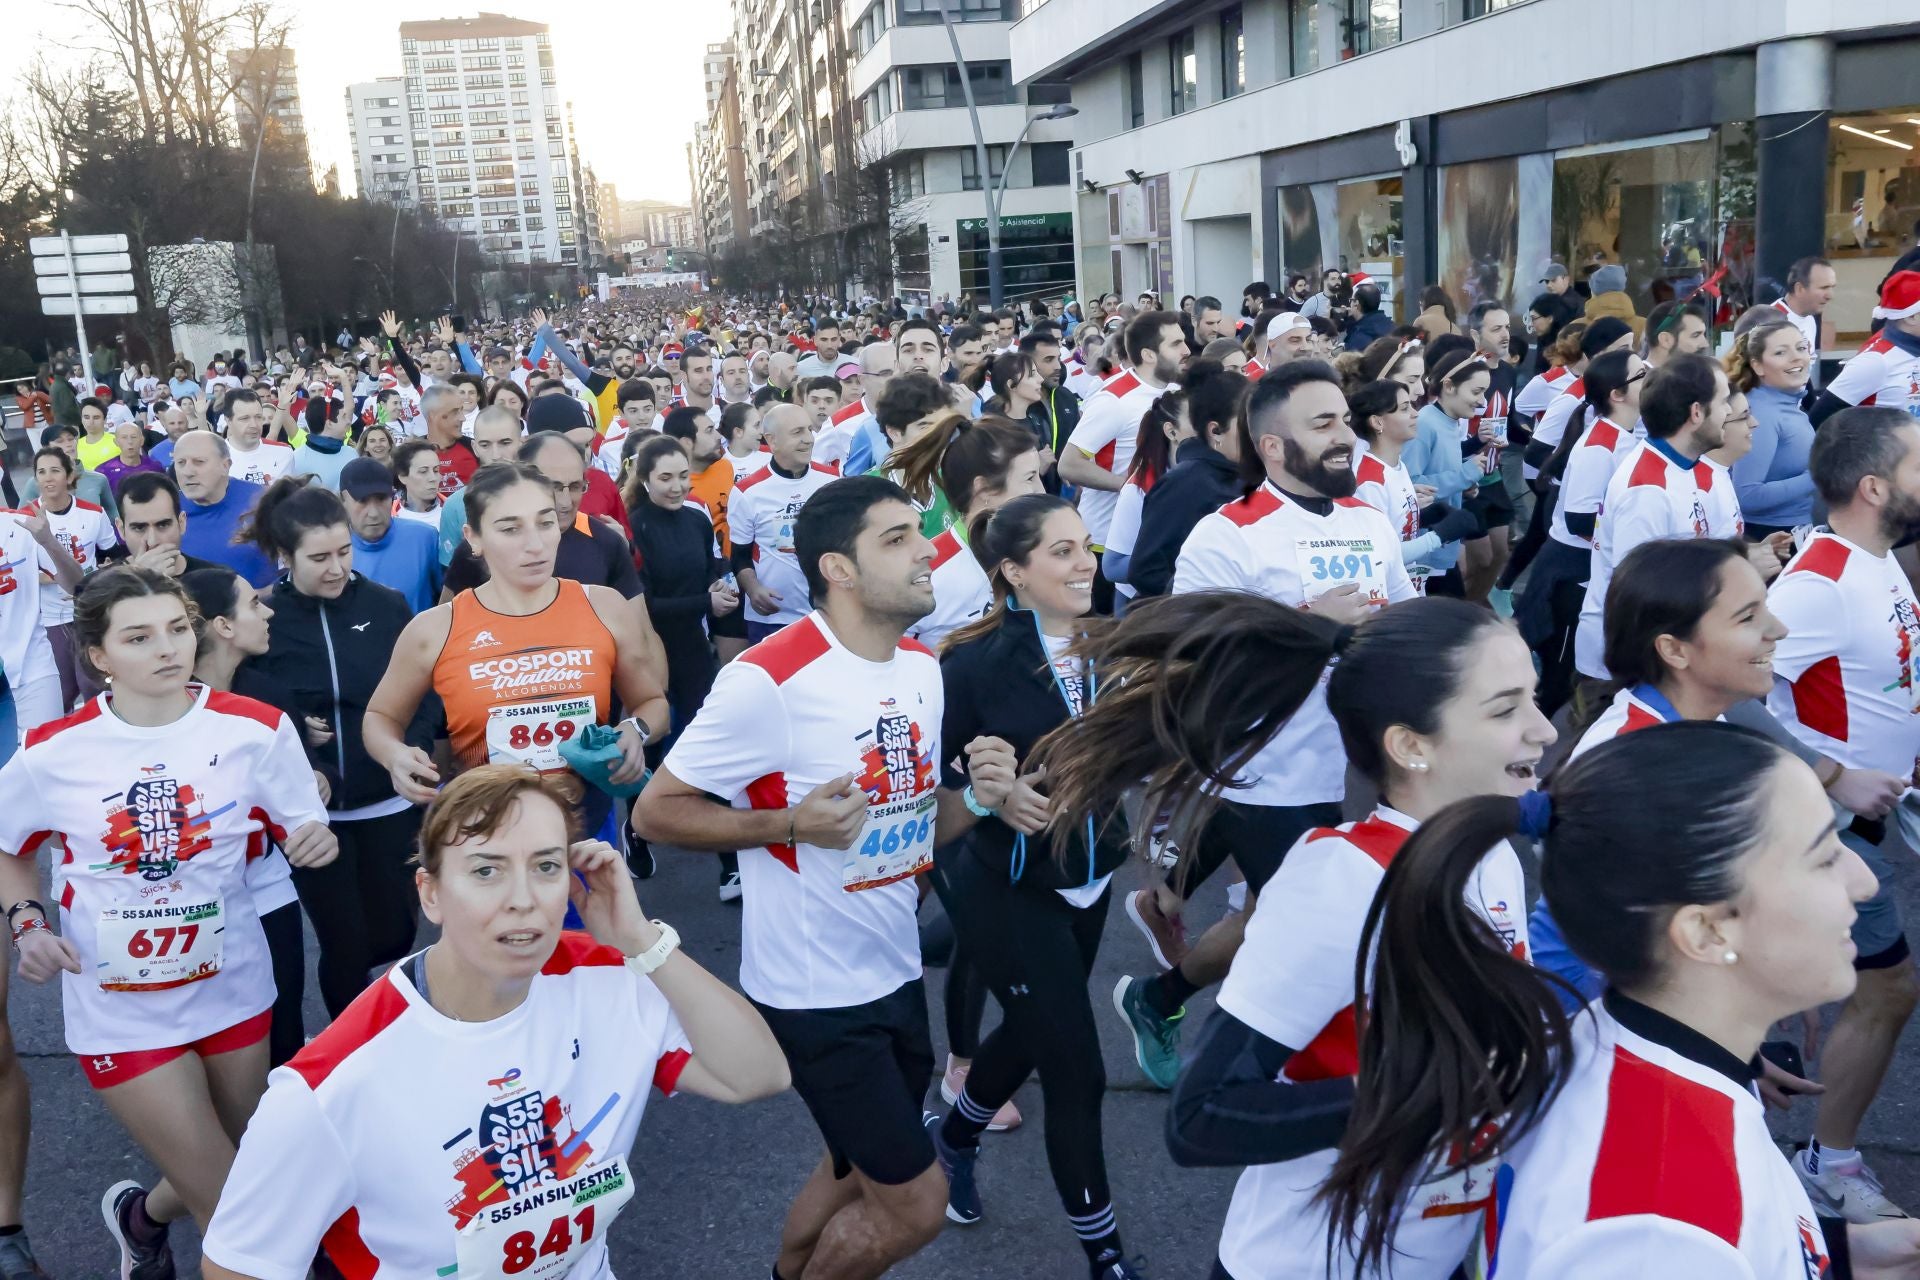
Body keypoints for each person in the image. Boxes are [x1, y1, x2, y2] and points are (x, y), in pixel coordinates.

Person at [1042, 591, 1549, 1279]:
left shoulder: (1488, 854)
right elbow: (1201, 1117)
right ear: (1411, 745)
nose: (1545, 730)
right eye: (1505, 709)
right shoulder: (1339, 882)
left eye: (1535, 698)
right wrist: (1418, 1099)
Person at [1312, 717, 1920, 1277]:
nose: (1863, 882)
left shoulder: (1619, 1047)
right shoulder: (1658, 1232)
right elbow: (1676, 1236)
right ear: (1706, 931)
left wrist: (1842, 1256)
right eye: (1822, 857)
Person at [198, 764, 791, 1280]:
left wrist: (641, 941)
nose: (523, 898)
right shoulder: (331, 1087)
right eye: (486, 871)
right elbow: (239, 1264)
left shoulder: (614, 981)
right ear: (430, 894)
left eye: (546, 866)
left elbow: (756, 1076)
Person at [635, 475, 950, 1280]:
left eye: (920, 532)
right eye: (897, 539)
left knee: (850, 1168)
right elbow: (658, 812)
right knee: (915, 1205)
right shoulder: (770, 678)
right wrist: (787, 824)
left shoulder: (922, 667)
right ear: (838, 569)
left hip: (894, 967)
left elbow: (912, 821)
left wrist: (982, 794)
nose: (927, 550)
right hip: (815, 993)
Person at [0, 566, 334, 1278]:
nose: (167, 648)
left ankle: (141, 1218)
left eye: (178, 629)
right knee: (237, 1210)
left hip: (232, 986)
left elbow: (306, 819)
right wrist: (29, 923)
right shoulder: (53, 752)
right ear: (98, 656)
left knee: (236, 1160)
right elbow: (8, 847)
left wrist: (317, 836)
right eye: (140, 637)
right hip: (119, 1009)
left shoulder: (255, 730)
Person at [1114, 360, 1419, 1089]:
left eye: (1345, 420)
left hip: (1372, 772)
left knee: (1269, 922)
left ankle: (1158, 993)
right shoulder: (1227, 535)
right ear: (1274, 448)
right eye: (1324, 425)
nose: (1346, 437)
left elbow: (1403, 616)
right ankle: (1245, 1088)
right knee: (1316, 936)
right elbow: (1193, 658)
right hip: (1273, 776)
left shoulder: (1367, 520)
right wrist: (1309, 626)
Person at [922, 494, 1143, 1279]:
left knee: (1027, 1029)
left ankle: (952, 1140)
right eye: (1061, 551)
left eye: (1085, 546)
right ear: (1013, 572)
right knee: (1075, 1069)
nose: (1085, 561)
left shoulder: (1117, 643)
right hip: (1006, 885)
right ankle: (1106, 1256)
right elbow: (934, 788)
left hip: (1093, 877)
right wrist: (990, 794)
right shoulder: (971, 661)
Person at [1766, 408, 1920, 1222]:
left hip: (1866, 819)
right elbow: (1728, 695)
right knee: (1888, 988)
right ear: (1874, 487)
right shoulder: (1818, 581)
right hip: (1821, 828)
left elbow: (1879, 677)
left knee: (1858, 989)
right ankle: (1826, 1162)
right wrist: (1836, 773)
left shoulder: (1878, 557)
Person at [1526, 538, 1789, 1006]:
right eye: (1748, 617)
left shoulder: (1691, 724)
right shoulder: (1634, 761)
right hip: (1605, 1019)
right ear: (1674, 649)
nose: (1779, 629)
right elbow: (1613, 936)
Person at [365, 460, 669, 849]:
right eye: (510, 529)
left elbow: (652, 704)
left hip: (584, 835)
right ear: (473, 538)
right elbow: (380, 718)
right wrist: (395, 755)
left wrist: (634, 730)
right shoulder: (435, 629)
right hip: (486, 837)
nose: (535, 544)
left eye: (545, 523)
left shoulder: (604, 607)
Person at [235, 478, 433, 1018]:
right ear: (284, 556)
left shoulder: (386, 605)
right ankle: (354, 1052)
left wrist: (410, 750)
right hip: (313, 817)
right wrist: (302, 734)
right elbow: (242, 704)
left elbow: (423, 691)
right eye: (318, 557)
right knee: (344, 944)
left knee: (394, 933)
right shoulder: (265, 617)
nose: (336, 568)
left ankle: (378, 1010)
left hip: (389, 803)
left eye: (344, 552)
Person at [179, 566, 310, 1067]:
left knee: (284, 1029)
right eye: (255, 603)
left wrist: (317, 786)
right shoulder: (159, 707)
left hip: (269, 883)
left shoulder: (270, 695)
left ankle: (283, 1136)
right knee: (213, 1035)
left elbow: (302, 789)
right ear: (223, 626)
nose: (269, 610)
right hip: (193, 897)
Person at [1571, 355, 1733, 709]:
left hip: (1662, 656)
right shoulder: (1645, 490)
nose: (1731, 412)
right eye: (1723, 401)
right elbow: (1643, 594)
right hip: (1628, 667)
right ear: (1696, 413)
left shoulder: (1688, 468)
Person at [624, 433, 741, 898]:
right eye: (665, 478)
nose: (676, 487)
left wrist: (723, 586)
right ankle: (635, 829)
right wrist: (705, 601)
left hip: (694, 647)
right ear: (646, 480)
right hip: (650, 650)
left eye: (681, 477)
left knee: (709, 744)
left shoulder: (695, 517)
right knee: (649, 749)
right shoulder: (635, 526)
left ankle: (730, 862)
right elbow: (644, 604)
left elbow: (715, 563)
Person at [1063, 312, 1187, 611]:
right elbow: (1069, 465)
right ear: (1148, 355)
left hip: (1154, 537)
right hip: (1107, 544)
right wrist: (1135, 487)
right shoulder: (1114, 399)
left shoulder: (1175, 392)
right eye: (1177, 344)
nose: (1187, 350)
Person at [1130, 361, 1248, 600]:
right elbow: (1146, 570)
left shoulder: (1252, 474)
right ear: (1215, 431)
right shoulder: (1185, 483)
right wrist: (1212, 605)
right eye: (1247, 423)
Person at [731, 403, 839, 641]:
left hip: (828, 614)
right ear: (772, 440)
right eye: (797, 432)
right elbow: (739, 556)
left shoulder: (831, 480)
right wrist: (752, 588)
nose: (808, 439)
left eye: (809, 430)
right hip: (772, 617)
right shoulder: (747, 491)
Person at [24, 444, 121, 710]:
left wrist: (91, 578)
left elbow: (113, 556)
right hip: (49, 617)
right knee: (63, 688)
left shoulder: (92, 513)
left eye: (55, 470)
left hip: (87, 611)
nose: (47, 477)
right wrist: (42, 577)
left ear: (69, 476)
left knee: (95, 685)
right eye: (41, 472)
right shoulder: (26, 519)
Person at [1403, 349, 1494, 597]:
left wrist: (1463, 487)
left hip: (1443, 545)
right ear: (1449, 386)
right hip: (1424, 552)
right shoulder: (1425, 423)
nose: (1482, 401)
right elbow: (1409, 486)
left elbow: (1441, 473)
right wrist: (1464, 475)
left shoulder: (1449, 421)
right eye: (1476, 392)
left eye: (1484, 392)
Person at [1727, 314, 1817, 538]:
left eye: (1801, 348)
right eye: (1780, 352)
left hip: (1797, 531)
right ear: (1758, 365)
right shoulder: (1760, 413)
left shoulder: (1785, 401)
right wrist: (1818, 476)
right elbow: (1746, 495)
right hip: (1770, 538)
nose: (1797, 358)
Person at [172, 429, 275, 587]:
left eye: (199, 461)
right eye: (181, 463)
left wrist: (267, 594)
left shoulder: (263, 500)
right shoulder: (168, 511)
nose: (188, 472)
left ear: (225, 465)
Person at [341, 456, 442, 612]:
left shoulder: (425, 538)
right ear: (343, 500)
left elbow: (448, 600)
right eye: (362, 501)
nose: (373, 513)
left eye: (381, 499)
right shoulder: (330, 551)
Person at [220, 390, 293, 487]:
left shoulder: (284, 453)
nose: (254, 425)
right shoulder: (214, 457)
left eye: (258, 417)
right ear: (228, 420)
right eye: (245, 418)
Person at [289, 392, 359, 491]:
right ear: (329, 423)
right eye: (343, 416)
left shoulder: (352, 454)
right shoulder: (296, 460)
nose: (348, 421)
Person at [96, 416, 165, 498]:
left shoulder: (155, 468)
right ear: (116, 442)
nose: (130, 442)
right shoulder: (103, 471)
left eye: (134, 437)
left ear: (142, 440)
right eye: (124, 437)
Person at [392, 438, 445, 531]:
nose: (433, 478)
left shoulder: (455, 511)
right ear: (403, 477)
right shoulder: (390, 520)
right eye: (423, 471)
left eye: (436, 470)